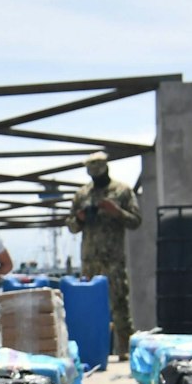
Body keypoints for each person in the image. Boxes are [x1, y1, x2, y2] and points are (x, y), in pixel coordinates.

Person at [66, 150, 143, 356]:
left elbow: (135, 221)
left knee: (119, 304)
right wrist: (80, 218)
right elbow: (71, 226)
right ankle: (89, 349)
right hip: (90, 259)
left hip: (113, 258)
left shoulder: (122, 191)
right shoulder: (82, 194)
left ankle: (125, 350)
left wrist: (116, 211)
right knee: (89, 306)